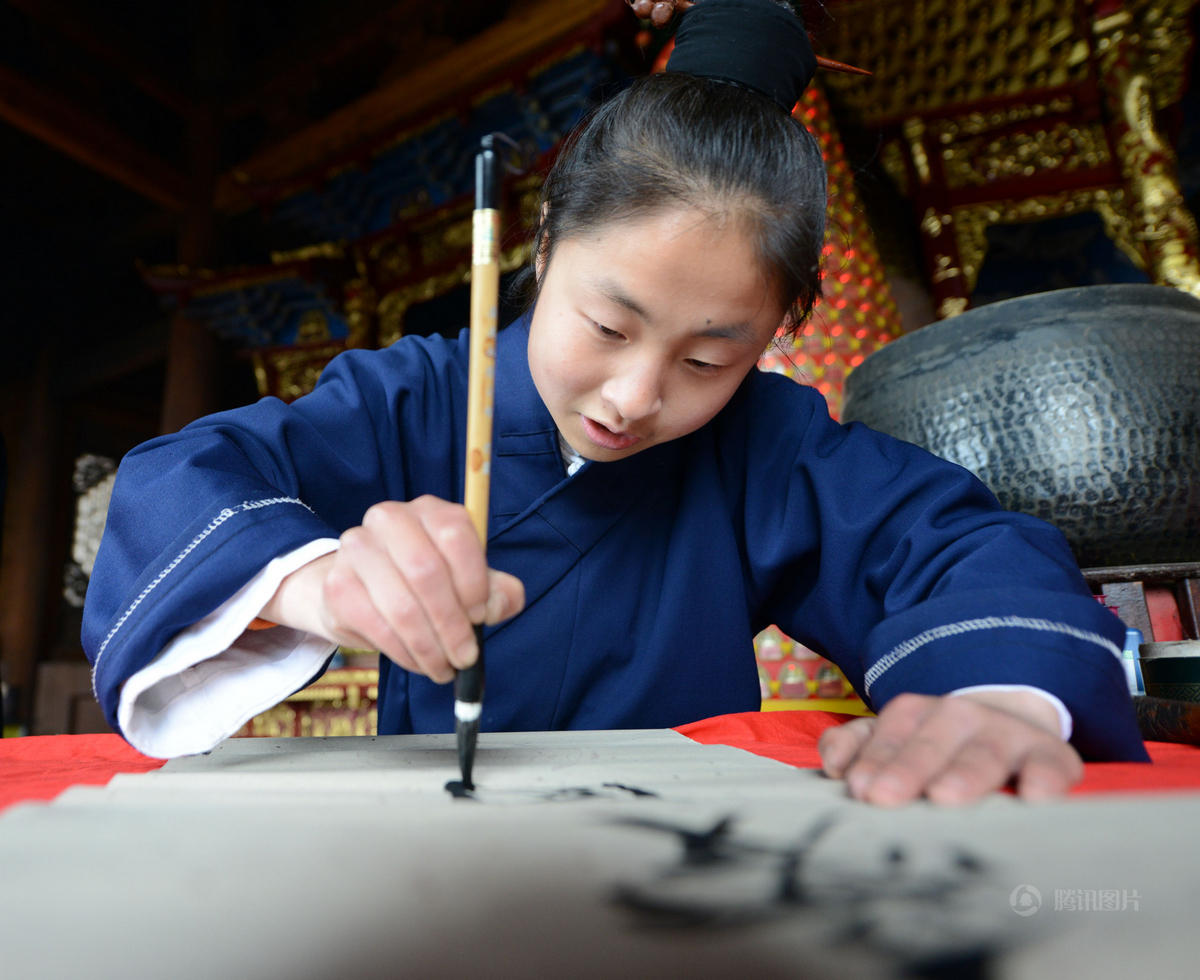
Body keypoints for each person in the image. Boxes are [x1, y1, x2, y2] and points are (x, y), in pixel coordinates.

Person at [82, 0, 1146, 804]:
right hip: (428, 833)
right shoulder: (417, 395)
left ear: (773, 334)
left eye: (709, 358)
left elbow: (956, 546)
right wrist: (314, 577)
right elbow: (180, 481)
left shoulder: (764, 447)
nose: (636, 397)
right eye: (609, 325)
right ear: (541, 249)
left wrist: (999, 695)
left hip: (679, 838)